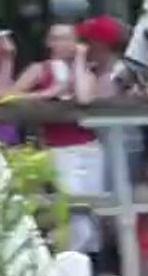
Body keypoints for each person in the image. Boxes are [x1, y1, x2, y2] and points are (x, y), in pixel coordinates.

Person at [11, 24, 103, 255]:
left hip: (88, 147)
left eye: (69, 39)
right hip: (58, 148)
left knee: (92, 206)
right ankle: (70, 256)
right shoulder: (39, 70)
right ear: (49, 42)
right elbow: (11, 96)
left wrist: (80, 60)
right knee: (70, 206)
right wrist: (47, 93)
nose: (63, 44)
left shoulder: (86, 72)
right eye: (57, 38)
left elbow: (84, 98)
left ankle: (88, 261)